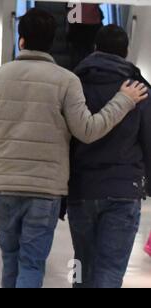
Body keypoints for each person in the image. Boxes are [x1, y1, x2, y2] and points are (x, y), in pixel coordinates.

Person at [0, 9, 148, 289]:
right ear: (52, 42)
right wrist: (123, 101)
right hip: (46, 191)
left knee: (11, 259)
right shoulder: (66, 81)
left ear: (21, 41)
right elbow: (87, 131)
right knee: (32, 263)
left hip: (4, 186)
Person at [68, 24, 151, 288]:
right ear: (126, 52)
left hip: (81, 189)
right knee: (110, 270)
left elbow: (65, 138)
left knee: (81, 263)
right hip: (123, 189)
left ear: (95, 48)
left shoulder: (75, 85)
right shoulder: (140, 90)